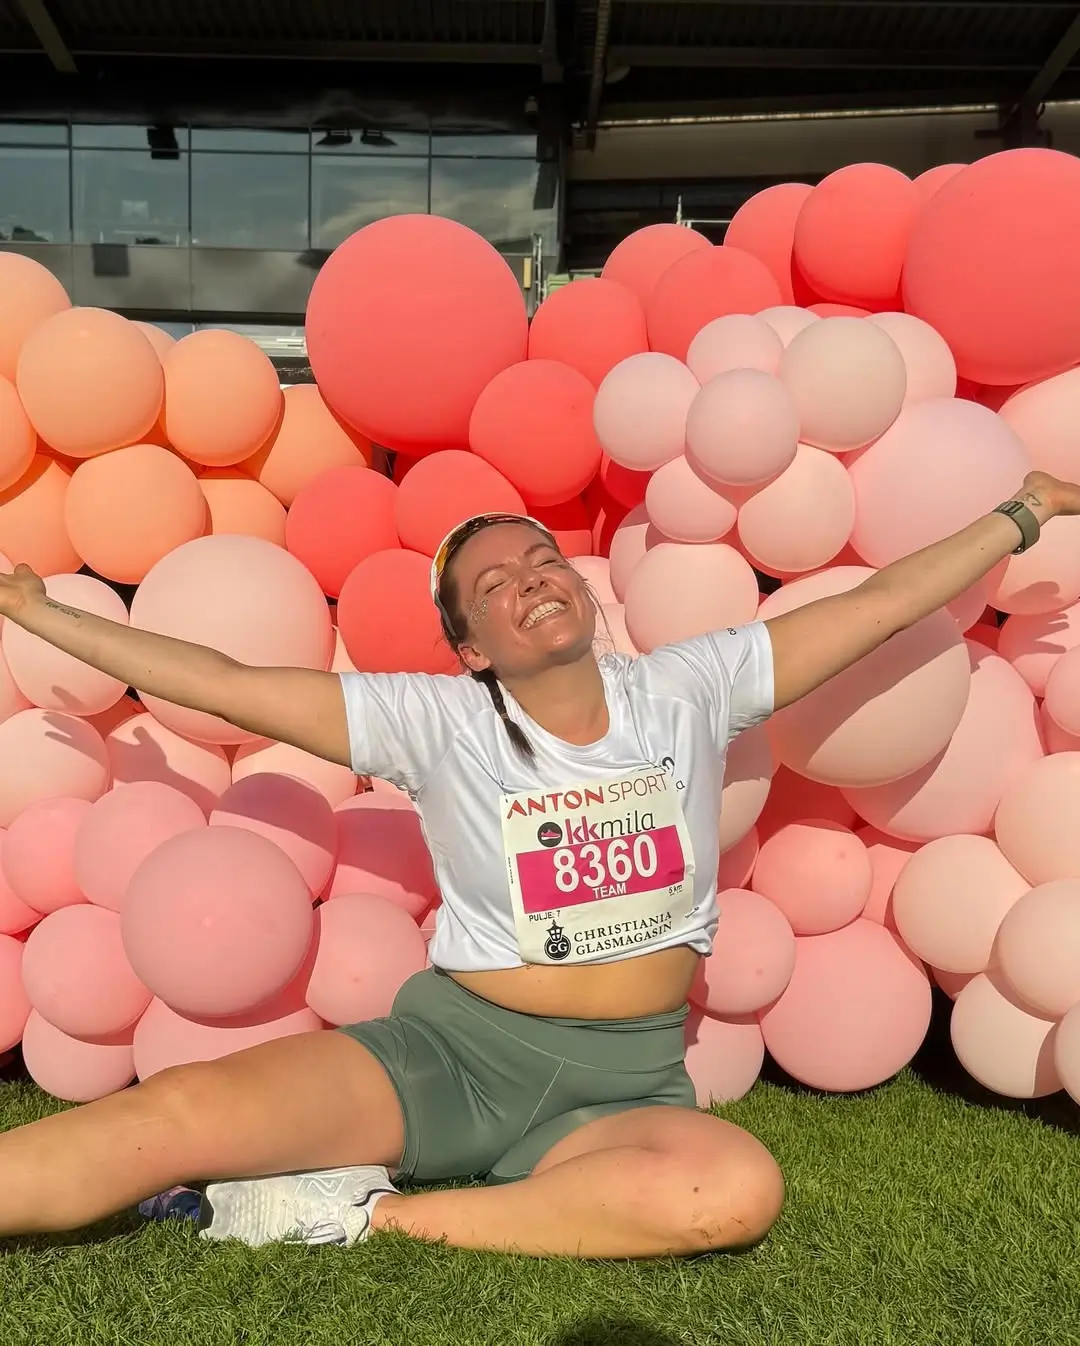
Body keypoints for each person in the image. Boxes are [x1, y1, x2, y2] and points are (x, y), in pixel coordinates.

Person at [0, 470, 1074, 1260]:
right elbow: (227, 679)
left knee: (735, 1185)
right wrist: (44, 615)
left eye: (540, 558)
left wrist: (1022, 510)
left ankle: (361, 1211)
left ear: (581, 587)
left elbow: (878, 605)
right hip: (450, 1054)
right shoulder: (435, 721)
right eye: (493, 583)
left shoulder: (690, 686)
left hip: (624, 1081)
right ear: (472, 646)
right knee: (171, 1117)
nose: (529, 578)